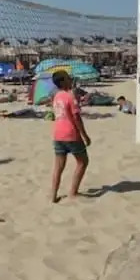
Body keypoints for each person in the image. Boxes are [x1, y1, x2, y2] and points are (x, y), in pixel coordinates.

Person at [50, 70, 91, 202]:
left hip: (58, 134)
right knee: (83, 162)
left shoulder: (56, 96)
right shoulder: (70, 96)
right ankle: (73, 192)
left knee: (58, 167)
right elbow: (76, 117)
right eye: (68, 78)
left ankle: (53, 195)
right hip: (71, 133)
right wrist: (85, 135)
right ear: (63, 81)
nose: (70, 80)